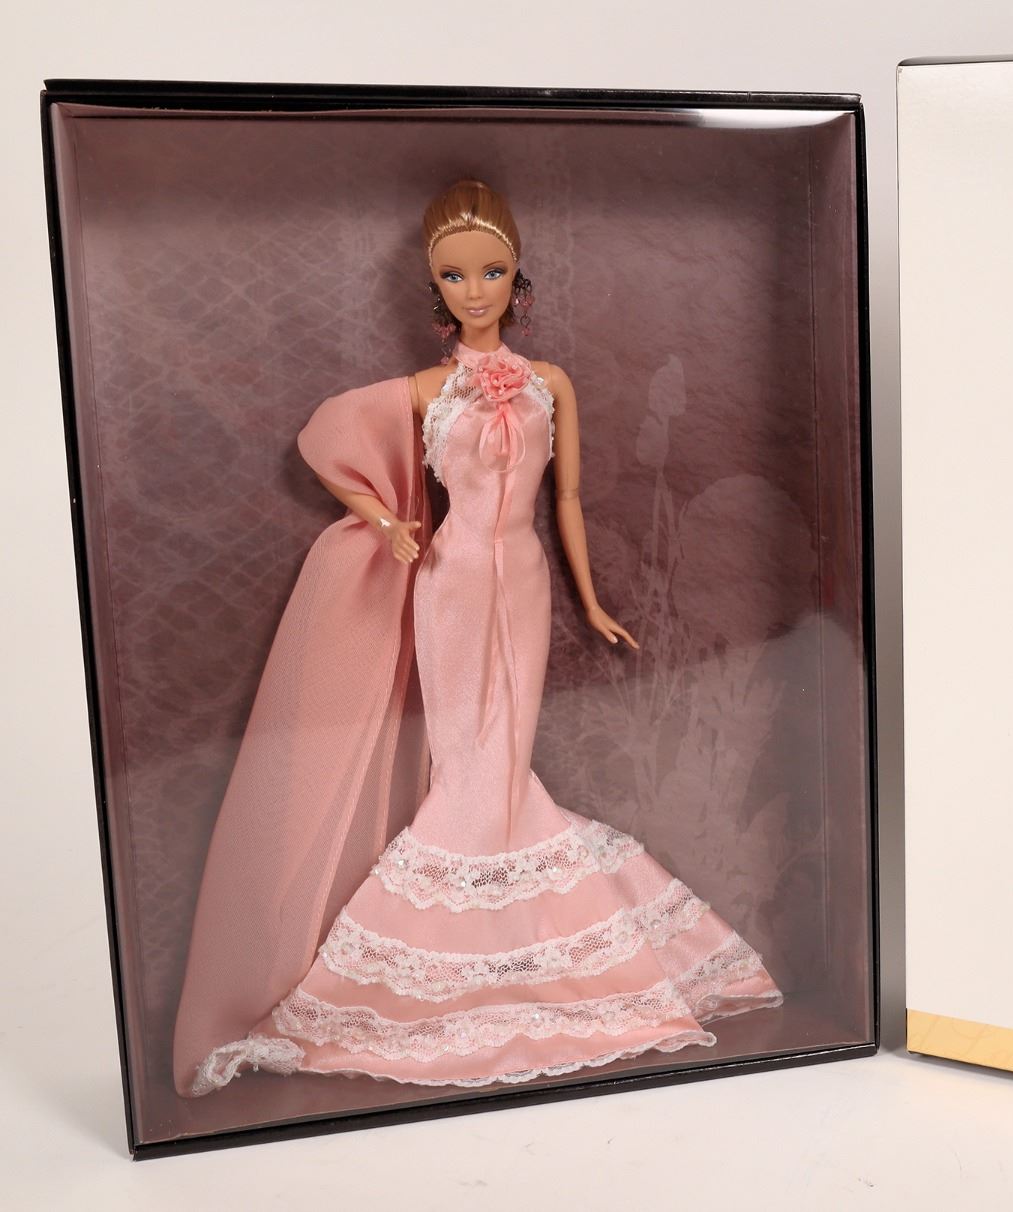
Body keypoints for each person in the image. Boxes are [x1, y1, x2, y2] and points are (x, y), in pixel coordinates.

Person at [171, 179, 781, 1096]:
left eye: (491, 271)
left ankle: (510, 946)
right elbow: (326, 443)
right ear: (434, 285)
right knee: (464, 760)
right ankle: (462, 950)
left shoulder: (549, 383)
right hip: (450, 579)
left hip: (524, 577)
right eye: (455, 275)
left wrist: (592, 599)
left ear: (516, 274)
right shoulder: (425, 390)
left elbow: (567, 498)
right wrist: (383, 521)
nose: (475, 290)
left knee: (509, 755)